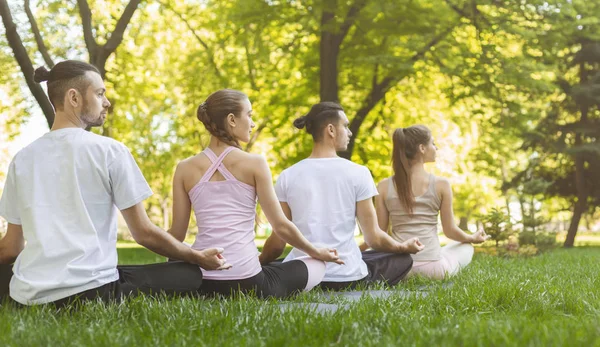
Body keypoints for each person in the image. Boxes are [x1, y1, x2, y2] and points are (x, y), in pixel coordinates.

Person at [0, 60, 230, 307]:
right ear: (73, 98)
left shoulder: (22, 159)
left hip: (29, 295)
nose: (107, 102)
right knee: (188, 274)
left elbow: (10, 248)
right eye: (99, 94)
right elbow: (143, 232)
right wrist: (196, 257)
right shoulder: (110, 151)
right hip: (92, 292)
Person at [168, 89, 342, 298]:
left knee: (184, 248)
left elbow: (176, 236)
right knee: (317, 264)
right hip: (250, 282)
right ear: (232, 119)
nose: (253, 123)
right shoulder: (255, 163)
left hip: (202, 281)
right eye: (249, 115)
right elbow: (281, 226)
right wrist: (316, 251)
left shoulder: (184, 168)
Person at [259, 102, 424, 291]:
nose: (349, 132)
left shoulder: (287, 176)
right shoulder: (359, 173)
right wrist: (403, 247)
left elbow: (278, 241)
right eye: (345, 126)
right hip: (347, 276)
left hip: (304, 276)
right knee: (401, 259)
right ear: (331, 130)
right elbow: (373, 238)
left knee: (276, 265)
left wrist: (260, 261)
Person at [370, 125, 488, 280]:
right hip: (434, 269)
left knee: (448, 248)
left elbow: (379, 233)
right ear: (422, 148)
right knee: (465, 246)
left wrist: (359, 251)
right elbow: (450, 230)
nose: (436, 147)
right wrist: (473, 238)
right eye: (433, 143)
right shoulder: (441, 184)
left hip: (399, 270)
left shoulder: (384, 186)